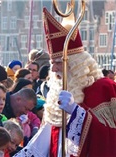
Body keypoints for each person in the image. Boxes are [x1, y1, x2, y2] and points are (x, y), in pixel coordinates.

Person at [14, 7, 116, 157]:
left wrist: (77, 113)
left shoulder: (105, 88)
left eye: (59, 62)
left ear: (75, 64)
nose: (53, 69)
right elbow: (44, 140)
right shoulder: (56, 93)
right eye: (52, 63)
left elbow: (110, 138)